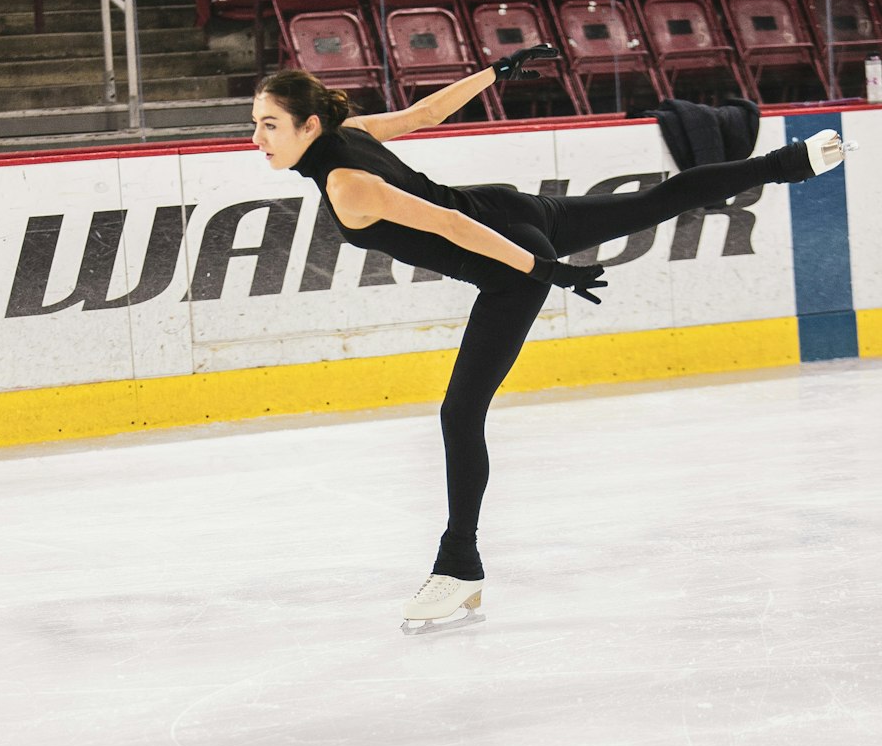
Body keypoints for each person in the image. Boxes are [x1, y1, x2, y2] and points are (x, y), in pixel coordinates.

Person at [250, 51, 849, 633]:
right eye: (256, 124)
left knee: (460, 415)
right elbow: (424, 115)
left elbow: (453, 227)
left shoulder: (347, 185)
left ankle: (459, 563)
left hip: (507, 254)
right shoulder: (350, 132)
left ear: (310, 125)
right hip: (510, 209)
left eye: (270, 125)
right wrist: (492, 72)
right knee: (652, 201)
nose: (258, 138)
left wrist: (543, 272)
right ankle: (792, 162)